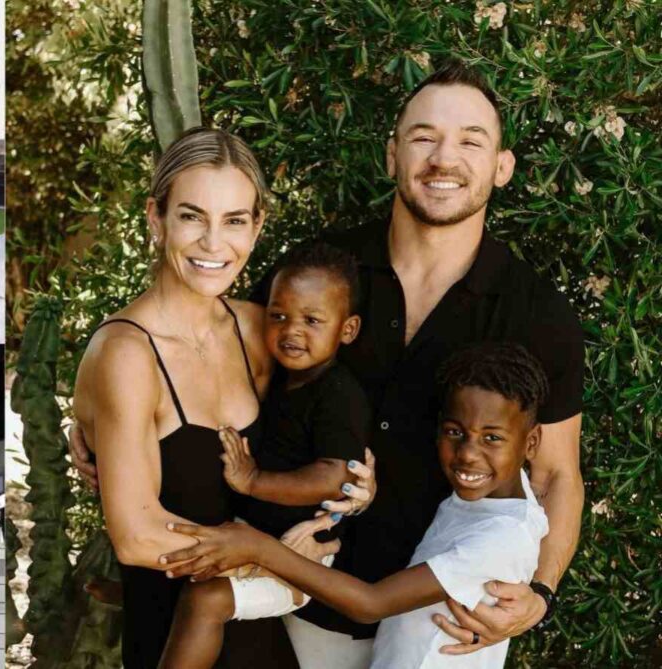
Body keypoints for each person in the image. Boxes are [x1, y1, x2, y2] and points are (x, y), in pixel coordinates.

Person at [69, 59, 584, 667]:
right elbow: (188, 348)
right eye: (424, 138)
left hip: (436, 626)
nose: (444, 159)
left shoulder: (539, 313)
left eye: (471, 141)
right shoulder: (319, 276)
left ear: (502, 167)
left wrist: (541, 593)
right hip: (295, 615)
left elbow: (554, 475)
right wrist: (95, 413)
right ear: (393, 154)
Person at [72, 127, 364, 668]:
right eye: (191, 216)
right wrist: (275, 559)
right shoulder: (126, 354)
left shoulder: (259, 330)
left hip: (265, 638)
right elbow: (136, 537)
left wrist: (357, 484)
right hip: (173, 639)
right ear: (156, 218)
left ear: (257, 227)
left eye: (234, 220)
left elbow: (326, 422)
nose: (213, 243)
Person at [159, 342, 551, 669]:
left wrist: (257, 546)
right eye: (455, 432)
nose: (468, 454)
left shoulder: (502, 536)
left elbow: (371, 604)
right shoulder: (500, 501)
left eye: (492, 438)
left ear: (530, 443)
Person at [159, 241, 371, 668]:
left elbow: (336, 477)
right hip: (251, 534)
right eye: (279, 317)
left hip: (299, 558)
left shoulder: (338, 394)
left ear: (347, 329)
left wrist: (253, 480)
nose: (292, 331)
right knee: (179, 554)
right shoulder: (278, 378)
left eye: (312, 320)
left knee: (205, 599)